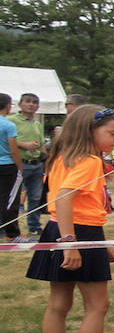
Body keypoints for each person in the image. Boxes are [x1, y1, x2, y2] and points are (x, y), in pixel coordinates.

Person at [26, 105, 114, 333]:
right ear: (90, 131)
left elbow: (83, 205)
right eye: (111, 133)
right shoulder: (87, 161)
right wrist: (71, 242)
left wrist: (102, 241)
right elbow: (64, 197)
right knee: (97, 305)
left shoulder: (62, 157)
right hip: (74, 233)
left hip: (63, 229)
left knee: (59, 304)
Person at [9, 92, 46, 236]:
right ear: (20, 104)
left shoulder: (37, 123)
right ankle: (8, 227)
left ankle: (34, 226)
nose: (32, 104)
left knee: (36, 197)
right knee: (12, 198)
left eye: (35, 102)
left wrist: (44, 159)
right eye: (28, 101)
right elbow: (6, 140)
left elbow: (41, 143)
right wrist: (23, 144)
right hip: (19, 163)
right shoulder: (11, 120)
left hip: (36, 164)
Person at [0, 94, 21, 240]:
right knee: (10, 200)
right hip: (7, 165)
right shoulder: (8, 125)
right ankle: (12, 233)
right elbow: (13, 149)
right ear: (8, 105)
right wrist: (21, 168)